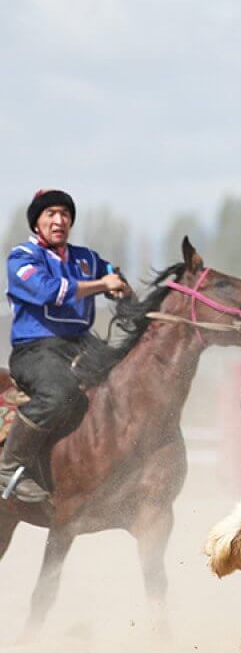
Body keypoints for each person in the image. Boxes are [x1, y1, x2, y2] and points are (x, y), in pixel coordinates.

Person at [0, 189, 131, 504]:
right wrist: (102, 286)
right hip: (36, 349)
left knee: (125, 380)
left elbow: (111, 272)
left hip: (81, 343)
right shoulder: (22, 258)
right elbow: (48, 291)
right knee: (58, 394)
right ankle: (9, 464)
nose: (59, 220)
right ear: (37, 222)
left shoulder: (85, 258)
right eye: (51, 214)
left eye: (65, 214)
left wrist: (118, 286)